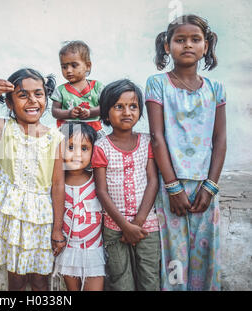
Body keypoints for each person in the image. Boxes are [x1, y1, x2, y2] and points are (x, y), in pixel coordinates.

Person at [0, 68, 66, 291]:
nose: (32, 100)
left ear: (46, 96)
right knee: (15, 278)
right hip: (11, 214)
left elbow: (57, 185)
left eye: (39, 93)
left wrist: (57, 228)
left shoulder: (55, 137)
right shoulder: (4, 127)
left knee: (40, 279)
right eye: (23, 95)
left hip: (40, 217)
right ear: (9, 103)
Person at [145, 15, 226, 291]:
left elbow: (220, 138)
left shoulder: (216, 89)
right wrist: (173, 187)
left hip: (206, 187)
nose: (188, 45)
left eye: (195, 40)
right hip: (171, 187)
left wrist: (211, 186)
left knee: (206, 259)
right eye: (180, 40)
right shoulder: (158, 84)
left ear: (206, 46)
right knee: (174, 261)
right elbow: (157, 137)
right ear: (167, 46)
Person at [92, 79, 160, 291]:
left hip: (146, 225)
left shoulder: (147, 141)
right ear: (105, 113)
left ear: (140, 111)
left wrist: (137, 224)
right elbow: (101, 192)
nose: (127, 112)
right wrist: (124, 226)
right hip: (114, 227)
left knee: (150, 279)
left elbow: (153, 182)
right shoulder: (101, 146)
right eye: (118, 106)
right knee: (121, 281)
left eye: (133, 106)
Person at [53, 122, 105, 291]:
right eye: (70, 147)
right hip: (68, 250)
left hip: (93, 250)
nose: (77, 154)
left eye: (84, 148)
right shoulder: (56, 185)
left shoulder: (97, 181)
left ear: (93, 152)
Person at [51, 41, 105, 136]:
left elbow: (105, 107)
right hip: (68, 131)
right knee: (67, 150)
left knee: (94, 150)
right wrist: (69, 113)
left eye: (74, 65)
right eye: (64, 67)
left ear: (88, 66)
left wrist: (90, 112)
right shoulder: (60, 91)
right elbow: (55, 111)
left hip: (93, 129)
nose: (68, 70)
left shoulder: (97, 87)